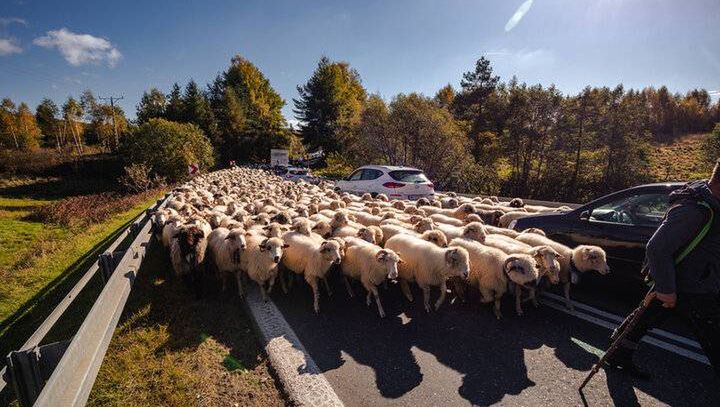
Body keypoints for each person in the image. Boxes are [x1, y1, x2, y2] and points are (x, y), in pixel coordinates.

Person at [605, 159, 720, 377]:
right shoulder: (695, 209)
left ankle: (618, 353)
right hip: (692, 286)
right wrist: (667, 289)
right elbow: (657, 248)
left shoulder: (711, 204)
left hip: (693, 278)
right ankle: (619, 352)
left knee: (644, 319)